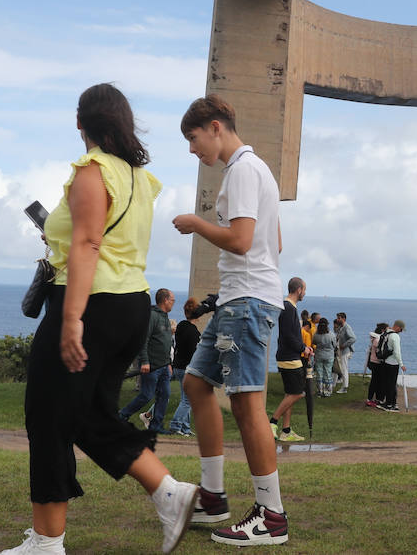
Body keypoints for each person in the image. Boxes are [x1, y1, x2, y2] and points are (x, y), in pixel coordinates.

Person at [0, 84, 196, 555]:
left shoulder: (92, 171)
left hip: (89, 304)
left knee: (46, 415)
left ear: (80, 123)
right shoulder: (141, 179)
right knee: (82, 416)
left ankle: (48, 543)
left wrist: (72, 319)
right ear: (124, 122)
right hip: (131, 308)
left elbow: (87, 245)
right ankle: (166, 495)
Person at [172, 94, 290, 546]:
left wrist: (198, 223)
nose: (192, 149)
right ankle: (214, 496)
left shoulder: (242, 169)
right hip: (238, 299)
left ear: (216, 127)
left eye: (193, 137)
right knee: (196, 385)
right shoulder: (252, 171)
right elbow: (271, 240)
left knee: (245, 403)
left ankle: (271, 514)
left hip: (247, 302)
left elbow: (243, 241)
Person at [119, 288, 174, 427]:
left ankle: (156, 426)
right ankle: (122, 415)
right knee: (146, 395)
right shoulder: (153, 316)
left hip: (164, 366)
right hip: (152, 366)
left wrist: (168, 363)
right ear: (165, 300)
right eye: (172, 300)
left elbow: (165, 342)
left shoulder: (165, 317)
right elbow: (144, 340)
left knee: (165, 395)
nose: (173, 303)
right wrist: (144, 361)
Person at [270, 277, 309, 441]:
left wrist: (305, 348)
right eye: (304, 290)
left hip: (289, 356)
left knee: (290, 394)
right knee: (299, 393)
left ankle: (286, 432)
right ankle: (272, 422)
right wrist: (303, 348)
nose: (305, 293)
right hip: (289, 357)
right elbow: (288, 336)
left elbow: (293, 335)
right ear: (299, 289)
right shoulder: (288, 308)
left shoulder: (290, 308)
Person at [163, 297, 204, 436]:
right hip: (187, 368)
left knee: (184, 399)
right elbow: (194, 353)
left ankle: (185, 428)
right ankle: (175, 425)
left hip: (178, 366)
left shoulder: (180, 326)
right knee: (188, 400)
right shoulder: (193, 332)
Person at [378, 320, 406, 411]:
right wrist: (401, 364)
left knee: (388, 384)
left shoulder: (387, 333)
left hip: (386, 362)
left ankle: (389, 403)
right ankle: (391, 404)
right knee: (391, 384)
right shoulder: (395, 336)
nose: (401, 331)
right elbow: (397, 352)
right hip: (393, 363)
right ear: (397, 327)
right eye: (401, 329)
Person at [365, 322, 388, 408]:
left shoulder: (375, 338)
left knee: (376, 381)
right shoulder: (378, 340)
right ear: (382, 330)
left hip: (373, 361)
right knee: (375, 381)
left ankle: (374, 399)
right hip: (376, 362)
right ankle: (370, 399)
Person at [333, 312, 356, 394]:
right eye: (337, 318)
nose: (337, 319)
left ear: (344, 319)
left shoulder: (347, 327)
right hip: (340, 351)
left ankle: (344, 387)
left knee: (344, 369)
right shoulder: (341, 327)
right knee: (340, 368)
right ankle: (336, 385)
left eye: (339, 318)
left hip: (344, 351)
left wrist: (344, 345)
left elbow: (353, 338)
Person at [313, 318, 336, 397]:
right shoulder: (331, 334)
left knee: (319, 373)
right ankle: (328, 391)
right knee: (328, 372)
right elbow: (335, 345)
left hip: (319, 355)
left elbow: (314, 342)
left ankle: (320, 390)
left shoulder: (316, 334)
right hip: (329, 355)